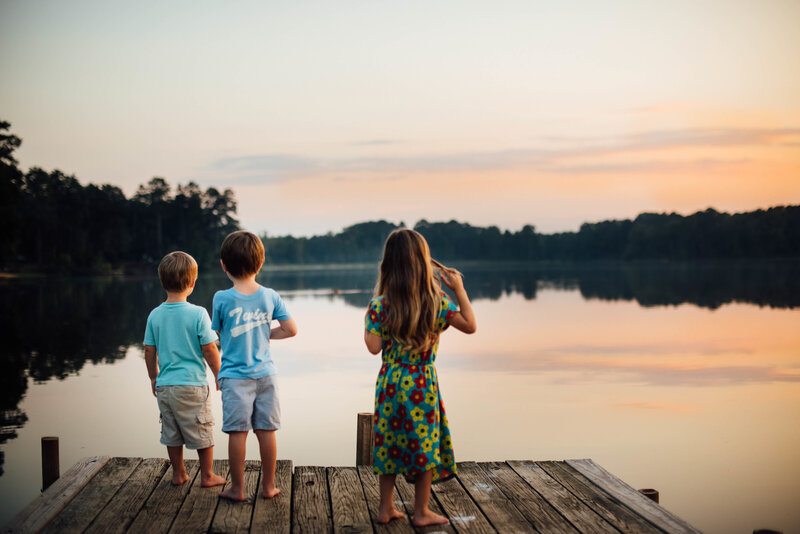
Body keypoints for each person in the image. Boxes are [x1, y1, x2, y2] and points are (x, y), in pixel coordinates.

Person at [364, 228, 477, 527]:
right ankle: (421, 511)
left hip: (390, 383)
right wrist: (459, 290)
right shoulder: (436, 303)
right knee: (424, 444)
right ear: (423, 263)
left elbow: (373, 348)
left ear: (388, 265)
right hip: (422, 383)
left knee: (388, 441)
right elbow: (470, 325)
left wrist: (371, 318)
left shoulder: (380, 306)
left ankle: (385, 508)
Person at [212, 230, 298, 501]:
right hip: (266, 375)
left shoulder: (221, 298)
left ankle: (238, 489)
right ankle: (269, 486)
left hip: (235, 377)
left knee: (237, 432)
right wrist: (265, 332)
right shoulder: (270, 296)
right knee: (266, 430)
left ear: (224, 265)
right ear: (260, 264)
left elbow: (217, 334)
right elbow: (290, 329)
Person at [144, 251, 227, 488]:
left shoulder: (155, 315)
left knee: (172, 431)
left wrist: (153, 377)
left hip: (165, 386)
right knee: (202, 429)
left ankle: (179, 473)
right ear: (192, 283)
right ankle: (208, 475)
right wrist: (219, 375)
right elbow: (210, 349)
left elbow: (149, 351)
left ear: (162, 282)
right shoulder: (198, 313)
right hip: (192, 385)